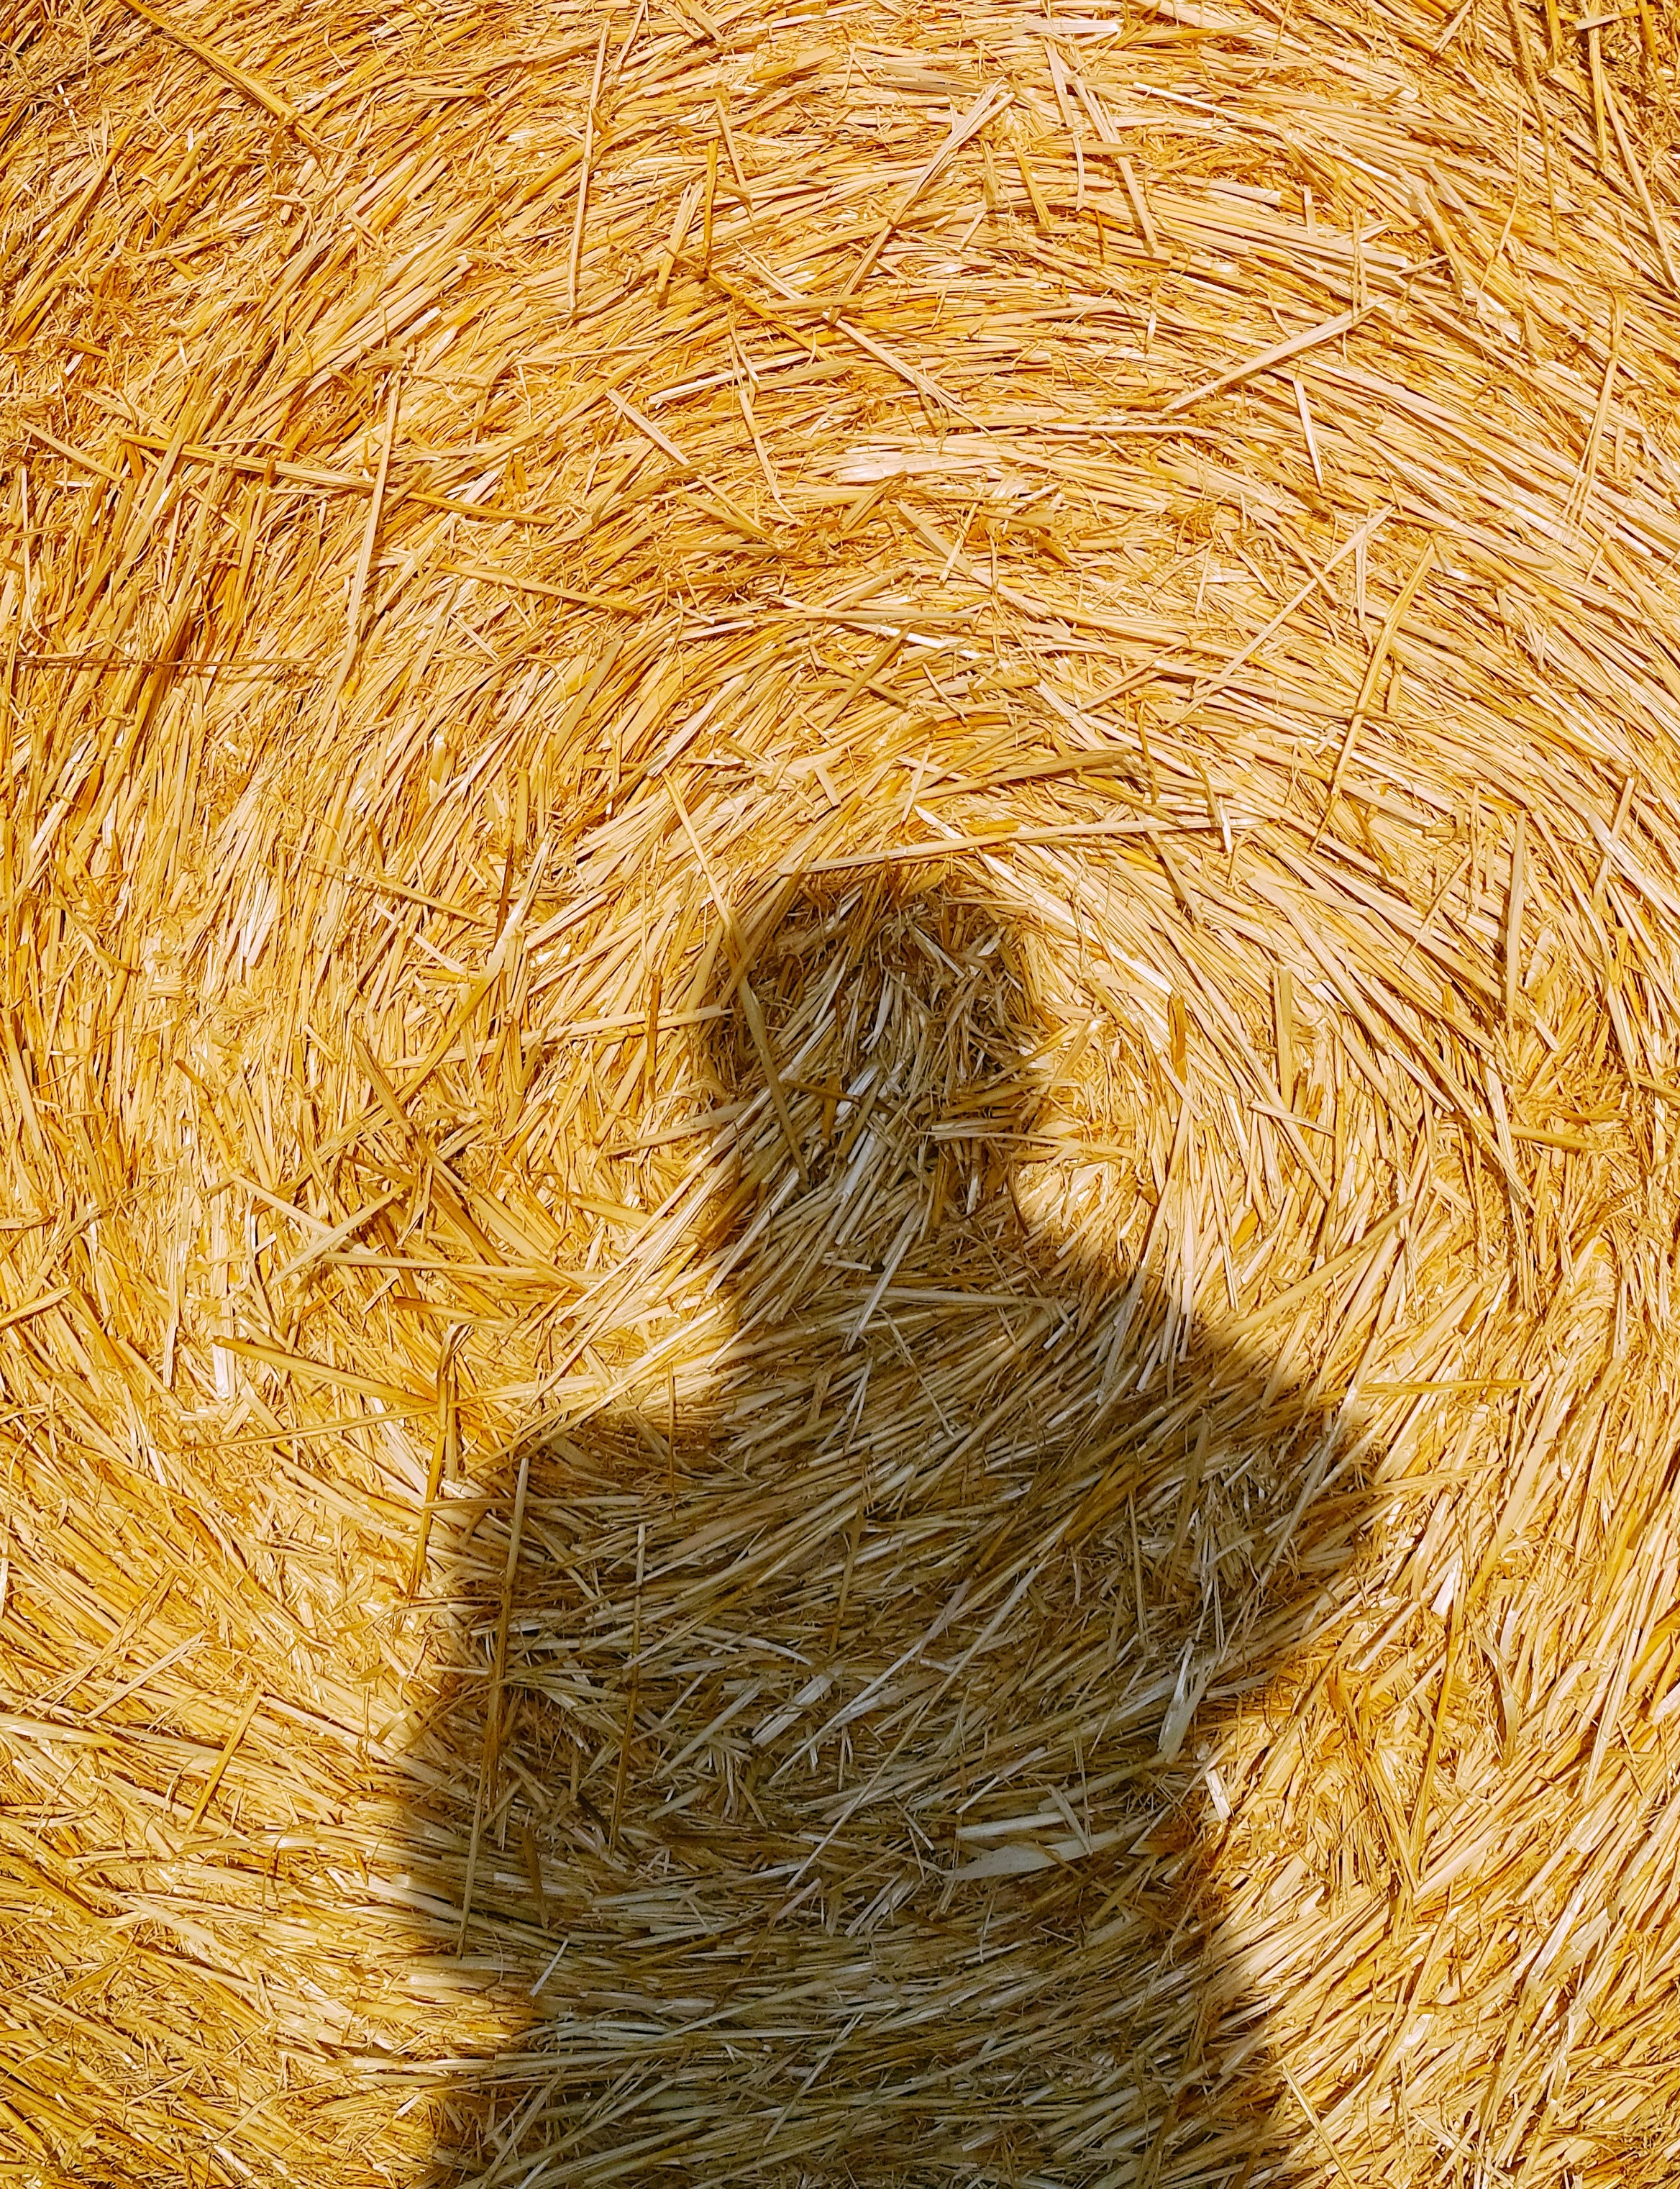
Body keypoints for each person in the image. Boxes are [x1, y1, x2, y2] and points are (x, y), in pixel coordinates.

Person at [403, 865, 1376, 2183]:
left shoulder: (580, 1485)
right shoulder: (1124, 1369)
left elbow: (466, 1897)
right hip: (1042, 2059)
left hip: (963, 2048)